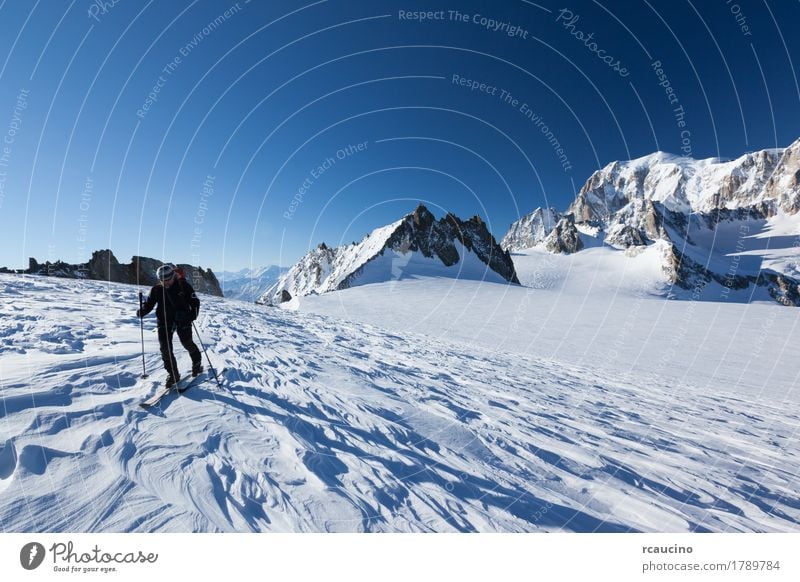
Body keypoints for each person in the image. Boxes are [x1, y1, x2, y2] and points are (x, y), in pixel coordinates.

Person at [137, 263, 203, 387]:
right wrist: (143, 311)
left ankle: (197, 363)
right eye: (163, 280)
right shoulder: (156, 289)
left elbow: (195, 303)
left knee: (187, 343)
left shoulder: (184, 286)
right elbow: (149, 304)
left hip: (182, 321)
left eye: (168, 279)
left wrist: (190, 317)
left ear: (173, 275)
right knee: (165, 349)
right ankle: (173, 375)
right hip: (164, 321)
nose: (166, 282)